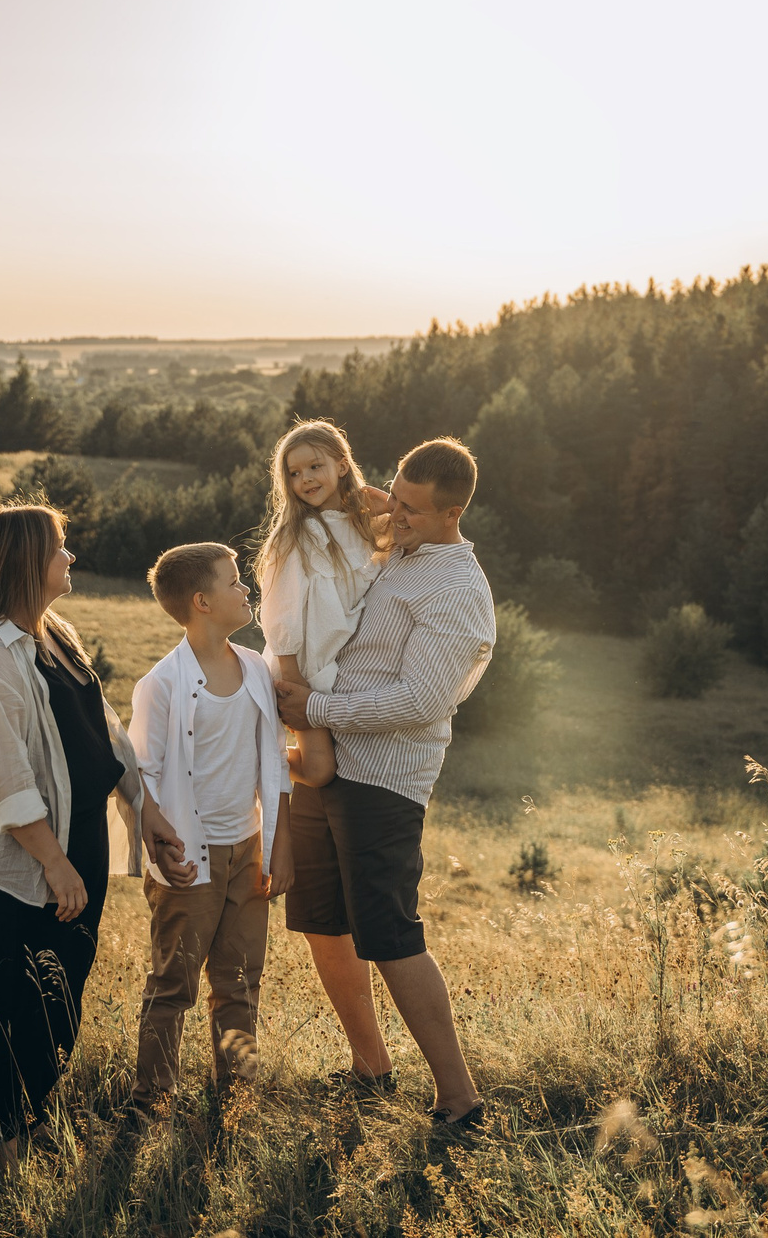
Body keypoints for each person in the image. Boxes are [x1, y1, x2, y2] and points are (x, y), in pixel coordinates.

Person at [0, 503, 192, 1161]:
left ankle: (39, 1114)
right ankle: (6, 1138)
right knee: (11, 990)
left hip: (76, 839)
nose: (72, 556)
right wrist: (53, 864)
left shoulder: (54, 634)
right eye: (61, 546)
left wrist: (147, 809)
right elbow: (3, 779)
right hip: (23, 855)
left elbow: (103, 731)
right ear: (29, 559)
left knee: (62, 984)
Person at [274, 436, 495, 1129]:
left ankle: (459, 1097)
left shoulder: (456, 588)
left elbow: (420, 700)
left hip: (382, 776)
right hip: (322, 759)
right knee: (321, 919)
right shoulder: (397, 538)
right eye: (393, 497)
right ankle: (370, 1066)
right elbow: (355, 509)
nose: (392, 514)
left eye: (411, 510)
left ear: (453, 512)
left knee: (389, 931)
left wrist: (316, 709)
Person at [127, 542, 296, 1107]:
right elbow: (141, 779)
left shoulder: (255, 668)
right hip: (188, 860)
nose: (244, 589)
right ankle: (153, 1100)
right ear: (202, 601)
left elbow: (274, 759)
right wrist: (158, 851)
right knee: (174, 984)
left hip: (249, 850)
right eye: (233, 581)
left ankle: (238, 1097)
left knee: (241, 981)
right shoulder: (162, 685)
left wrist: (280, 842)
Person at [252, 419, 388, 789]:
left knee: (340, 761)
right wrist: (294, 683)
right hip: (300, 671)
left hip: (332, 674)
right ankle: (249, 752)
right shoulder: (295, 535)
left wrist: (375, 499)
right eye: (294, 473)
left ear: (342, 465)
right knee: (319, 769)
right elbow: (279, 615)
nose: (306, 479)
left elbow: (400, 520)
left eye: (316, 466)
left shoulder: (357, 527)